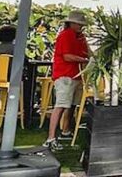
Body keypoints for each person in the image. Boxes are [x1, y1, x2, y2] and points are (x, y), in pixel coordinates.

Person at [44, 11, 89, 151]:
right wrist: (84, 60)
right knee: (61, 105)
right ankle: (51, 138)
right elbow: (67, 56)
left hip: (76, 75)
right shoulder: (65, 35)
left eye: (81, 25)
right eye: (78, 24)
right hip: (65, 75)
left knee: (72, 105)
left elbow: (87, 52)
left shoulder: (80, 37)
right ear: (71, 23)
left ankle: (65, 130)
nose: (80, 27)